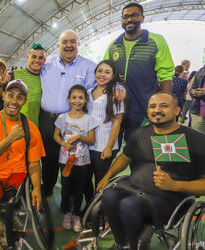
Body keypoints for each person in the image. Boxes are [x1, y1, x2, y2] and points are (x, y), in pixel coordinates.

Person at [97, 92, 205, 250]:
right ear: (148, 111)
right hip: (135, 188)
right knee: (109, 195)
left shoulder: (197, 139)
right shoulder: (140, 134)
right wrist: (106, 177)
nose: (157, 110)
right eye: (153, 106)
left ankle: (136, 246)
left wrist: (175, 185)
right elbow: (124, 158)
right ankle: (121, 243)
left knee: (129, 205)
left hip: (171, 199)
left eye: (164, 106)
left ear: (177, 110)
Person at [40, 29, 125, 196]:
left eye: (72, 41)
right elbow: (31, 69)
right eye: (65, 42)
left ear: (78, 44)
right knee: (49, 159)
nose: (69, 45)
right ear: (58, 45)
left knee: (75, 161)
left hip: (76, 122)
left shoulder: (89, 66)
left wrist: (119, 87)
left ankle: (73, 197)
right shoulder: (46, 63)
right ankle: (47, 191)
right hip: (48, 120)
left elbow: (106, 81)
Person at [0, 79, 45, 246]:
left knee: (7, 209)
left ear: (24, 101)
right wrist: (11, 138)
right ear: (3, 96)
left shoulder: (31, 129)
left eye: (19, 97)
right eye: (10, 95)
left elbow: (34, 163)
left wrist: (37, 188)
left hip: (17, 178)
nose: (14, 101)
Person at [104, 2, 174, 141]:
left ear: (142, 18)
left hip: (143, 112)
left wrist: (164, 106)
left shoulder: (156, 41)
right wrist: (115, 78)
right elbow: (105, 72)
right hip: (116, 110)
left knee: (140, 153)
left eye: (134, 15)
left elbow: (166, 76)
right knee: (109, 150)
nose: (129, 19)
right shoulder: (113, 46)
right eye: (125, 17)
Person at [53, 84, 97, 232]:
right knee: (66, 189)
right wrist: (64, 144)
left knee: (79, 190)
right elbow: (56, 135)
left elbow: (91, 140)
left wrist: (79, 136)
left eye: (80, 98)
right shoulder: (62, 117)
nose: (77, 101)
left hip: (82, 162)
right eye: (74, 97)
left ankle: (76, 215)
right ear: (69, 99)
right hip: (65, 161)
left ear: (85, 100)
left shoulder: (88, 119)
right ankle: (67, 213)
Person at [87, 60, 125, 191]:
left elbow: (117, 122)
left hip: (104, 145)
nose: (102, 74)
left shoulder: (115, 95)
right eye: (100, 71)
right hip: (88, 143)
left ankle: (98, 209)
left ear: (113, 75)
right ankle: (88, 206)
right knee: (86, 178)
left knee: (100, 179)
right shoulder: (88, 93)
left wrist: (109, 147)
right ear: (95, 73)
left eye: (107, 72)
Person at [11, 43, 46, 127]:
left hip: (33, 127)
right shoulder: (14, 75)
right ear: (28, 58)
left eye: (40, 58)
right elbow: (2, 96)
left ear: (44, 60)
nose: (37, 60)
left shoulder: (46, 79)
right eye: (34, 57)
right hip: (13, 125)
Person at [189, 64, 205, 133]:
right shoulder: (201, 70)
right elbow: (192, 89)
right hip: (198, 112)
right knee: (197, 140)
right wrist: (194, 92)